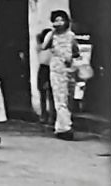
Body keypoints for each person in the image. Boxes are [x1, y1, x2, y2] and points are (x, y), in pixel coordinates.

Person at [41, 9, 81, 140]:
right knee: (60, 98)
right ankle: (66, 128)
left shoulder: (71, 35)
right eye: (56, 20)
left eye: (61, 19)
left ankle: (60, 126)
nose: (59, 22)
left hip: (69, 69)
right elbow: (43, 46)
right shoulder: (52, 35)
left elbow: (76, 51)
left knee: (68, 98)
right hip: (57, 70)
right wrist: (51, 33)